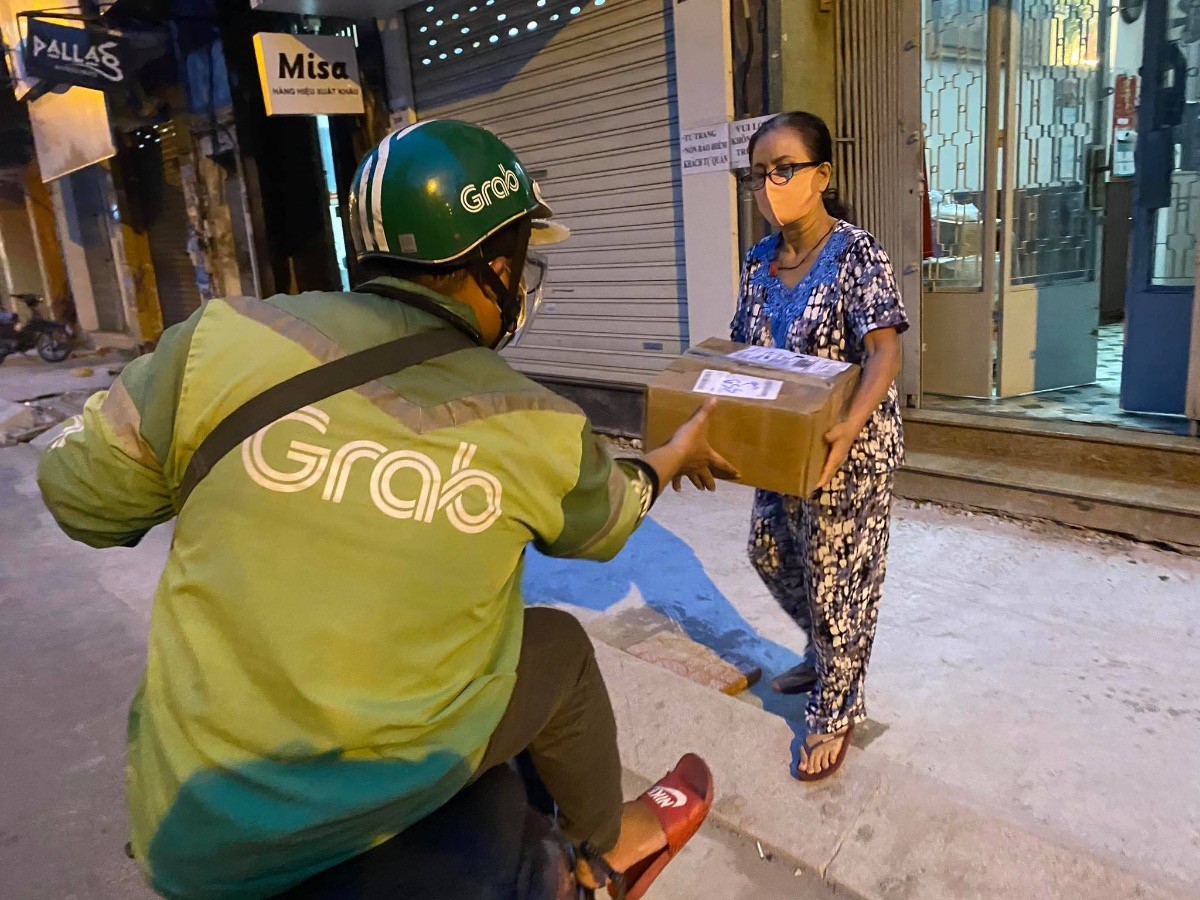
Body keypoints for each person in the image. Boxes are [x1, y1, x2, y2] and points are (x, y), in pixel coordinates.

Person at [37, 120, 735, 898]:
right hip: (393, 789)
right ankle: (606, 850)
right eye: (522, 261)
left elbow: (80, 498)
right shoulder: (536, 421)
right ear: (496, 269)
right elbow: (609, 521)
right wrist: (673, 456)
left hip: (192, 829)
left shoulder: (221, 339)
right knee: (561, 648)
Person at [731, 111, 908, 782]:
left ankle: (837, 706)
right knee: (771, 551)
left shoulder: (856, 252)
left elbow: (884, 349)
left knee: (838, 582)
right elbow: (744, 352)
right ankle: (830, 652)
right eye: (758, 175)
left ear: (821, 176)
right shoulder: (759, 261)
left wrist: (848, 427)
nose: (770, 185)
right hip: (786, 446)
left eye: (784, 169)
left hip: (850, 448)